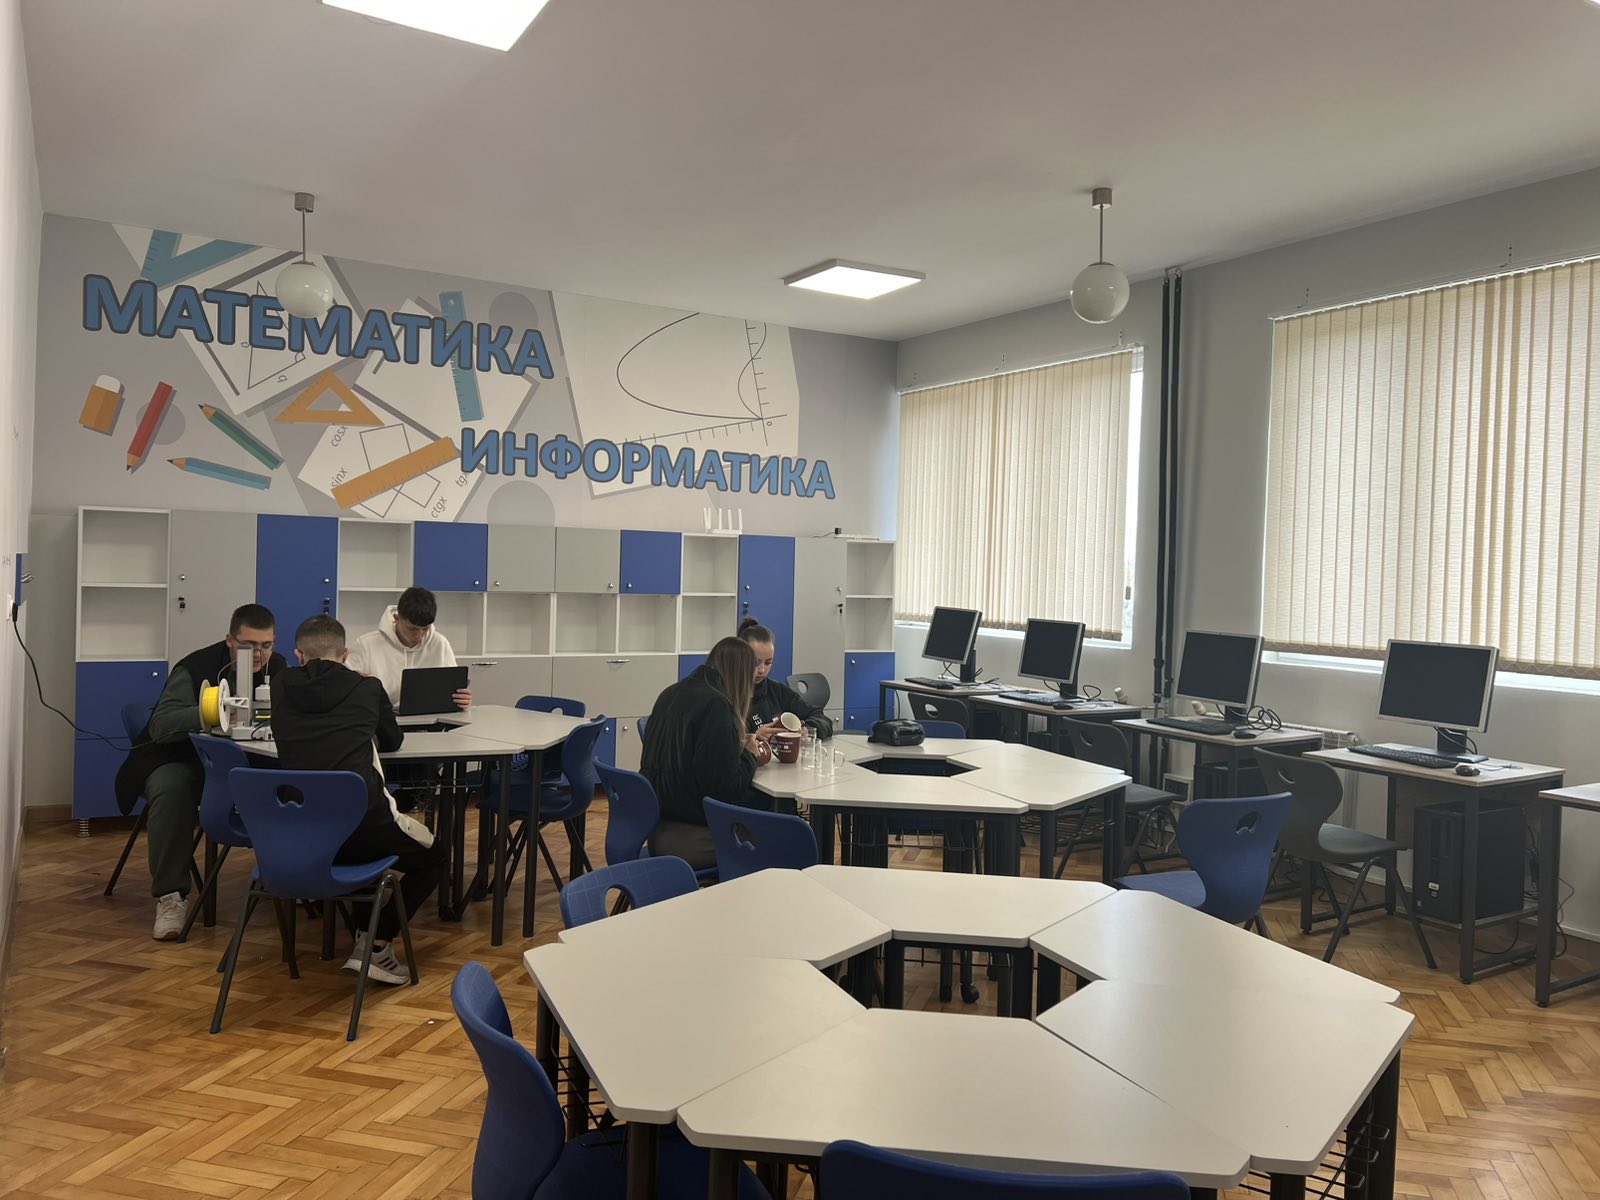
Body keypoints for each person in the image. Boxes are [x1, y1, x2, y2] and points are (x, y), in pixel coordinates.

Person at [270, 614, 443, 986]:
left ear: (298, 655)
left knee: (364, 848)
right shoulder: (367, 688)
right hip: (366, 827)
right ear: (346, 654)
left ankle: (362, 928)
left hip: (303, 836)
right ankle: (376, 942)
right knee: (435, 857)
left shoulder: (280, 684)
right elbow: (393, 740)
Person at [115, 603, 287, 940]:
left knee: (296, 778)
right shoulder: (194, 667)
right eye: (250, 646)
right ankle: (170, 896)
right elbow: (162, 724)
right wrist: (212, 712)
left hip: (248, 760)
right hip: (183, 758)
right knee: (171, 788)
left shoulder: (278, 667)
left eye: (267, 645)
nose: (259, 655)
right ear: (230, 640)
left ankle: (293, 875)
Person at [639, 636, 773, 870]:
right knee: (776, 834)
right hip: (691, 833)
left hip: (659, 822)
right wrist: (750, 754)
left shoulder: (671, 692)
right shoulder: (717, 705)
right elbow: (726, 789)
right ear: (742, 676)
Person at [347, 587, 471, 711]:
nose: (419, 636)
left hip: (430, 717)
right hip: (380, 718)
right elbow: (343, 691)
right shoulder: (365, 645)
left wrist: (462, 699)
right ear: (397, 618)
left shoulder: (440, 644)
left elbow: (451, 692)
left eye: (425, 628)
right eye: (412, 629)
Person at [738, 617, 834, 740]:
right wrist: (753, 738)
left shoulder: (777, 691)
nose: (762, 670)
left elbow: (822, 718)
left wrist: (807, 729)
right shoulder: (725, 695)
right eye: (755, 662)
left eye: (768, 663)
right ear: (739, 657)